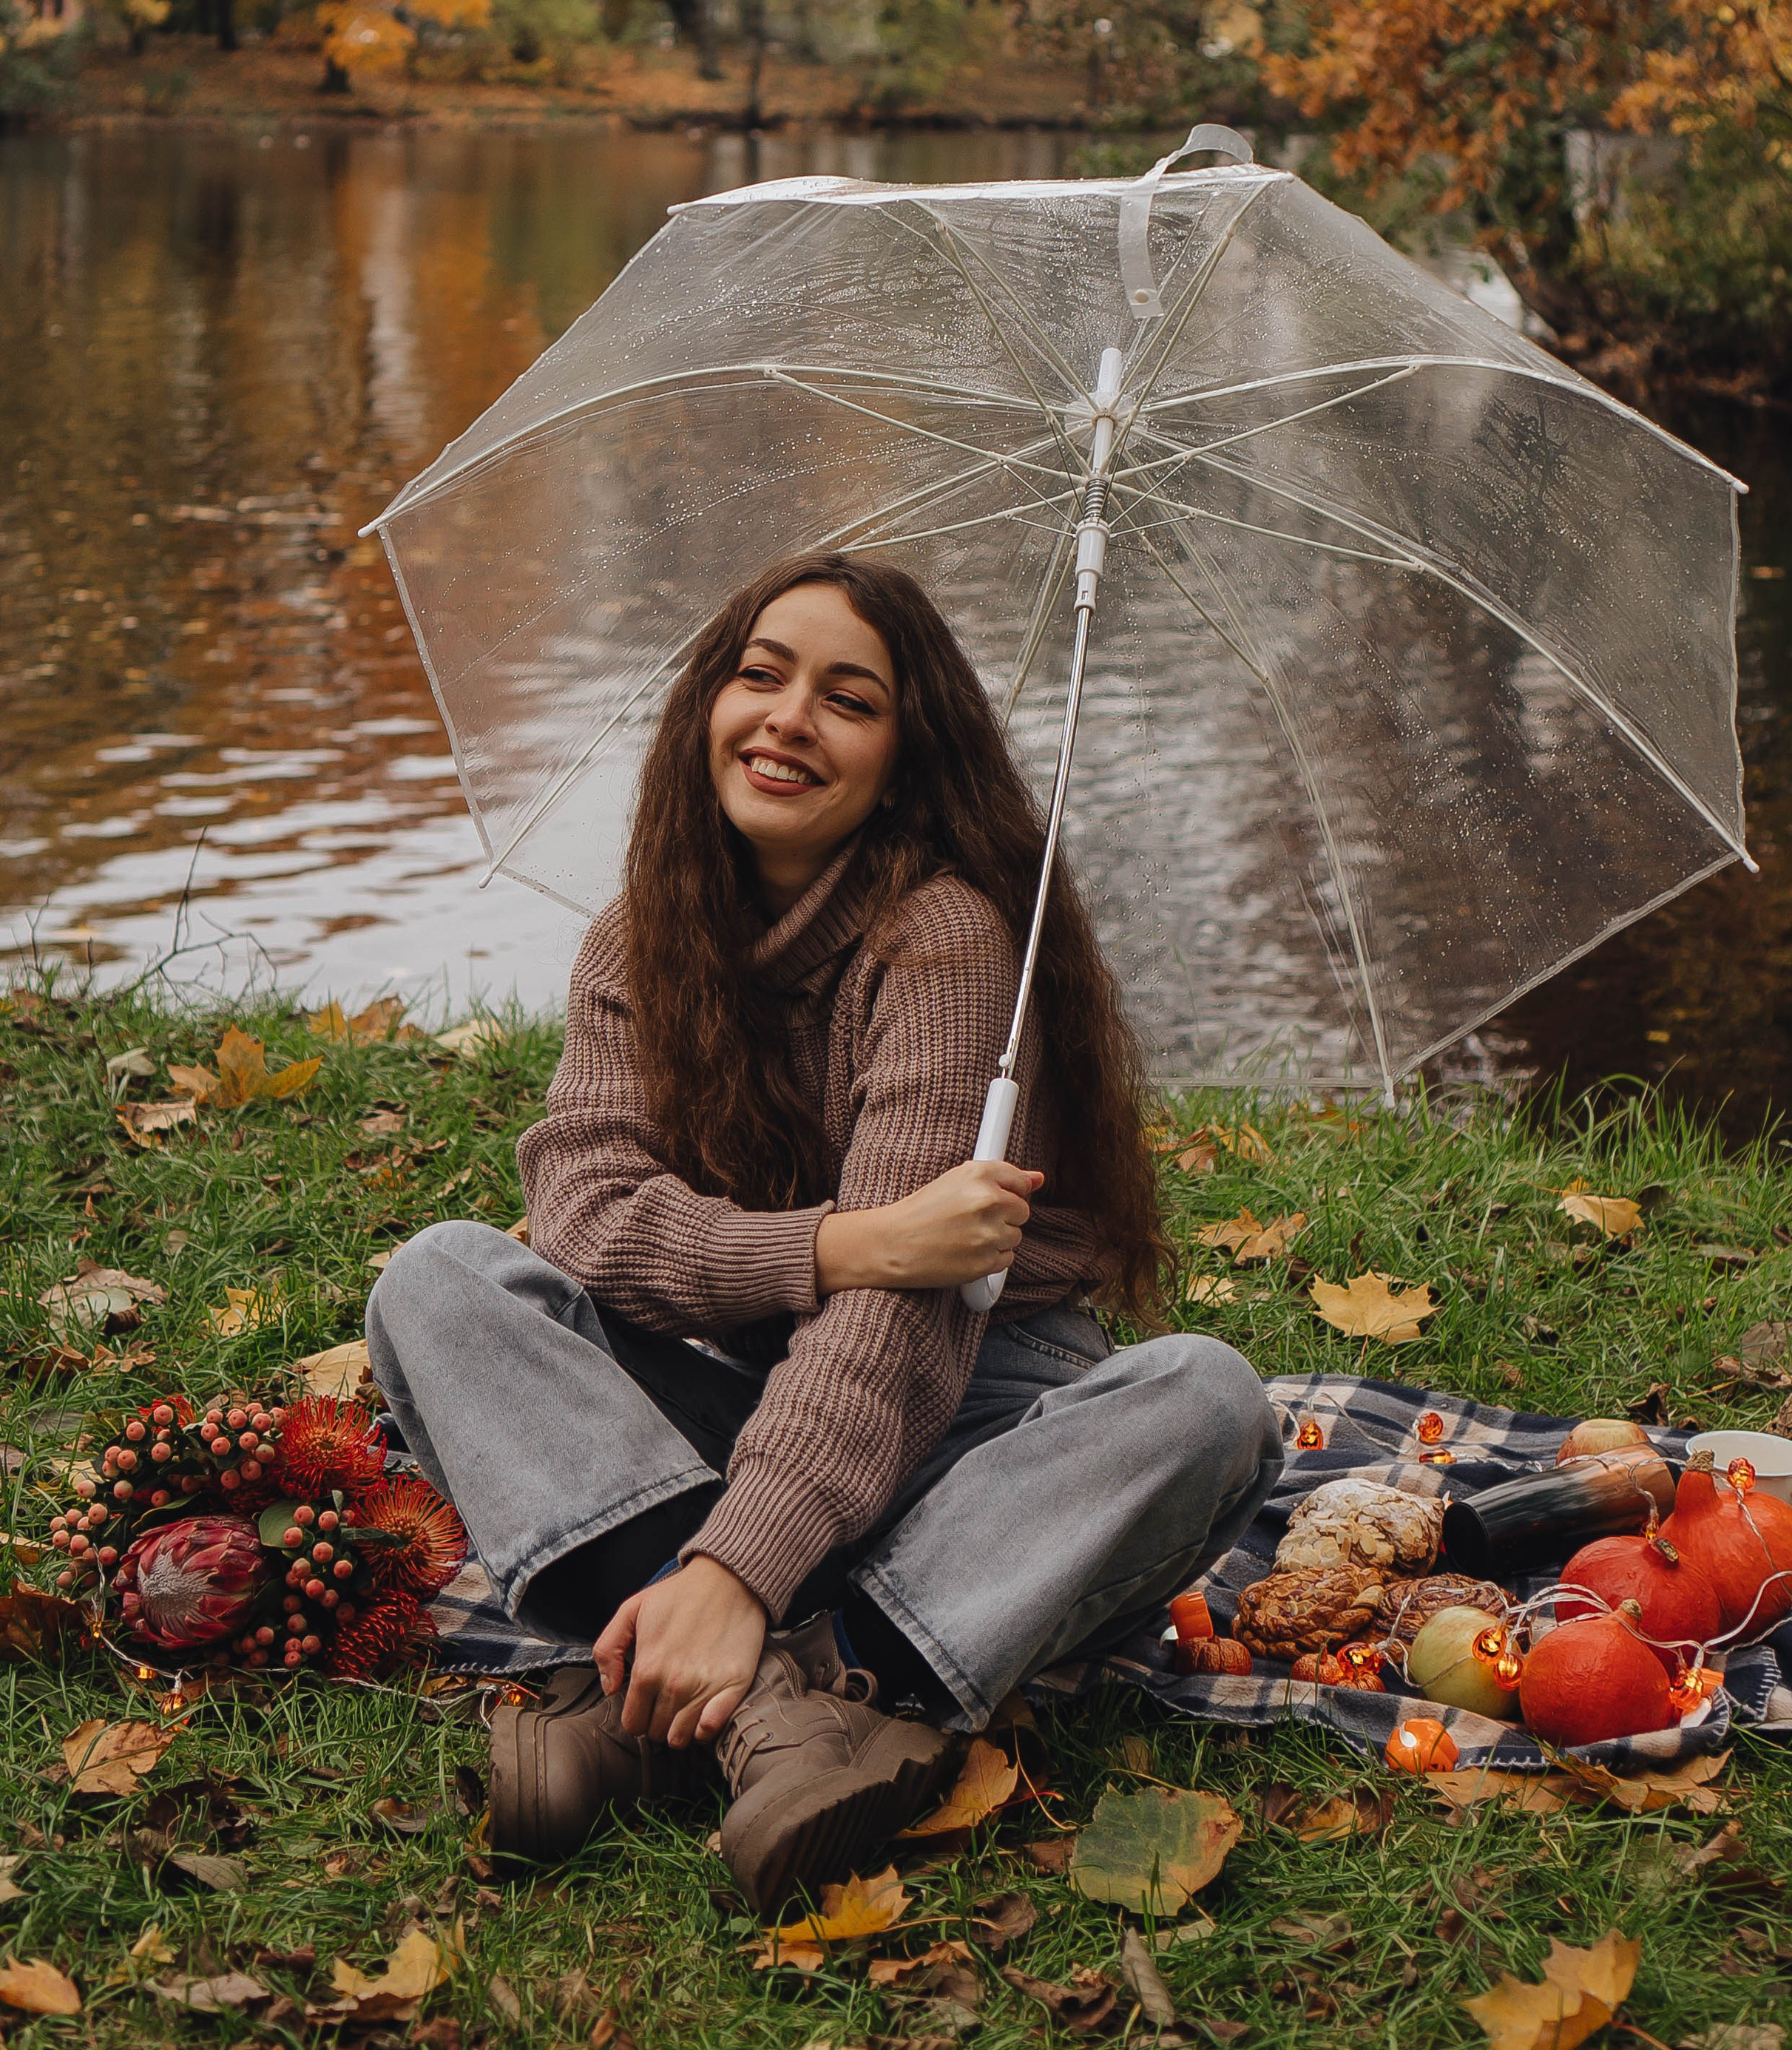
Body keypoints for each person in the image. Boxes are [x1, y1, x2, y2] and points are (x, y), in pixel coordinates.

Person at [368, 552, 1279, 1910]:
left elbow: (895, 1334)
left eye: (848, 700)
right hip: (733, 1393)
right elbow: (586, 1220)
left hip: (965, 1418)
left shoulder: (953, 946)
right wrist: (838, 1247)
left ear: (906, 764)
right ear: (706, 711)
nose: (790, 718)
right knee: (440, 1279)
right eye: (761, 675)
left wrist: (743, 1569)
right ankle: (752, 1705)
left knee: (1208, 1401)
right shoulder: (641, 938)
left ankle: (819, 1672)